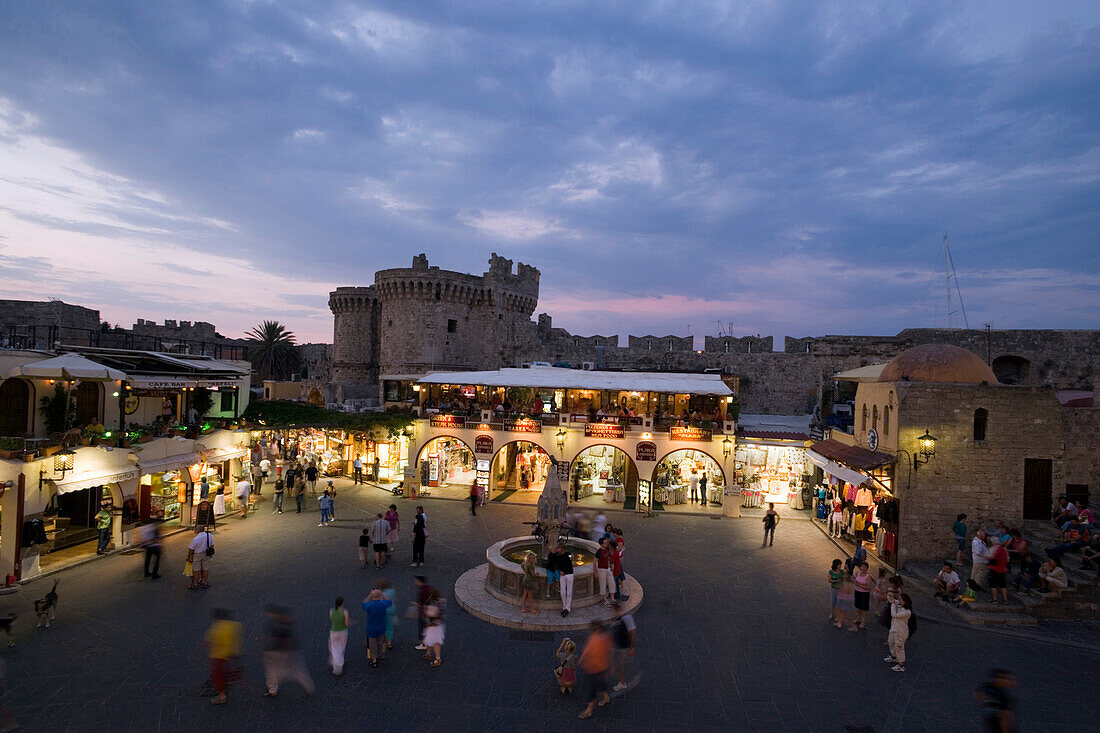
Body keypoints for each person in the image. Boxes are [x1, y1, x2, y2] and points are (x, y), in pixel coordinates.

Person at [262, 605, 314, 697]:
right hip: (290, 650)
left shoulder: (277, 623)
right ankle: (309, 687)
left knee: (272, 671)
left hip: (277, 651)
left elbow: (277, 638)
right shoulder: (285, 621)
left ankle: (272, 690)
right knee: (297, 670)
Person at [205, 609, 241, 705]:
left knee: (218, 676)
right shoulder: (234, 625)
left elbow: (209, 642)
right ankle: (233, 680)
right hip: (232, 654)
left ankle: (222, 696)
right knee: (227, 672)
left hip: (218, 656)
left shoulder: (215, 629)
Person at [577, 621, 612, 719]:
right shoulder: (605, 637)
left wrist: (581, 661)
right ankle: (606, 697)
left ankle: (588, 711)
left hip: (594, 669)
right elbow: (609, 650)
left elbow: (586, 651)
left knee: (592, 690)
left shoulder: (593, 640)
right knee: (601, 683)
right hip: (603, 666)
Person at [975, 669, 1017, 733]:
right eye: (1008, 679)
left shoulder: (989, 689)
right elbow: (1004, 718)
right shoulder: (1003, 697)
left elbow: (978, 694)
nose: (1012, 682)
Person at [362, 589, 392, 667]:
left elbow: (364, 604)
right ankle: (381, 654)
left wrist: (370, 595)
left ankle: (374, 660)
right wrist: (382, 594)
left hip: (371, 628)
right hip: (381, 627)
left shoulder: (369, 605)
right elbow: (389, 602)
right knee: (380, 642)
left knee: (372, 645)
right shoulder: (383, 604)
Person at [610, 606, 637, 692]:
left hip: (623, 647)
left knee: (620, 665)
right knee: (618, 664)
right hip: (618, 646)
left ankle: (622, 683)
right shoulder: (618, 618)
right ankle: (619, 675)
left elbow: (632, 633)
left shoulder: (626, 618)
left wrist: (631, 647)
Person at [883, 593, 912, 672]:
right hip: (894, 629)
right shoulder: (899, 605)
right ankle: (893, 657)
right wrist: (889, 595)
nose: (898, 600)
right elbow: (891, 600)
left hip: (901, 631)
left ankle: (901, 664)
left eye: (900, 599)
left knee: (899, 647)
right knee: (891, 643)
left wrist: (893, 604)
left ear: (905, 601)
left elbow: (894, 615)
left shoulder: (907, 612)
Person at [549, 543, 575, 616]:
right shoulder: (557, 556)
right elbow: (555, 564)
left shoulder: (568, 554)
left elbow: (571, 557)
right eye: (558, 547)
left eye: (559, 547)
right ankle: (564, 607)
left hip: (569, 574)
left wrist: (572, 556)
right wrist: (559, 570)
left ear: (563, 548)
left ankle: (567, 608)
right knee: (562, 592)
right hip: (562, 575)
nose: (558, 549)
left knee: (569, 592)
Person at [421, 589, 445, 667]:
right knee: (429, 639)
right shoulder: (441, 601)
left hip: (433, 626)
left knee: (435, 642)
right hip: (438, 625)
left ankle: (438, 659)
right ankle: (428, 653)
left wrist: (425, 609)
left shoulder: (433, 603)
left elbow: (431, 614)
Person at [328, 596, 350, 676]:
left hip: (334, 631)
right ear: (342, 603)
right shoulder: (345, 612)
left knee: (334, 647)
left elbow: (331, 619)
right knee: (341, 647)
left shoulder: (331, 611)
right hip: (343, 631)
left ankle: (335, 661)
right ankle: (338, 664)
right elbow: (346, 624)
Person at [987, 537, 1010, 604]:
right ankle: (1005, 600)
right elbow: (1008, 559)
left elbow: (989, 558)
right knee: (1003, 585)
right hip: (1002, 569)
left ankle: (994, 599)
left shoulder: (992, 549)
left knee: (993, 585)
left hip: (994, 569)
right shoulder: (1004, 549)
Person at [595, 538, 615, 607]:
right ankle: (605, 600)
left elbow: (608, 558)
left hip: (607, 568)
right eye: (605, 543)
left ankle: (613, 598)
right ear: (601, 544)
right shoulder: (599, 552)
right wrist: (596, 572)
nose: (607, 544)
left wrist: (611, 565)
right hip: (601, 569)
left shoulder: (606, 550)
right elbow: (595, 561)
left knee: (612, 582)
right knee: (602, 584)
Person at [852, 561, 872, 628]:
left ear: (867, 568)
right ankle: (858, 618)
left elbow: (869, 587)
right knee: (858, 606)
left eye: (865, 567)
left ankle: (863, 621)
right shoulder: (858, 573)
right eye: (862, 566)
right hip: (857, 592)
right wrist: (854, 581)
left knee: (864, 608)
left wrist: (860, 586)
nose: (863, 568)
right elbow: (853, 578)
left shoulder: (868, 576)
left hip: (864, 594)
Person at [379, 579, 396, 650]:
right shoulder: (392, 591)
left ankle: (382, 641)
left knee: (382, 625)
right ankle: (389, 642)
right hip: (392, 608)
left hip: (384, 610)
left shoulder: (381, 594)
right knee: (390, 626)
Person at [827, 559, 844, 623]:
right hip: (834, 589)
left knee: (839, 603)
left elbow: (847, 575)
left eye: (840, 565)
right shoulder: (831, 572)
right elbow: (829, 580)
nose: (840, 566)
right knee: (833, 602)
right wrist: (837, 580)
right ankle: (832, 613)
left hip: (840, 589)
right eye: (839, 565)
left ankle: (838, 615)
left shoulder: (842, 571)